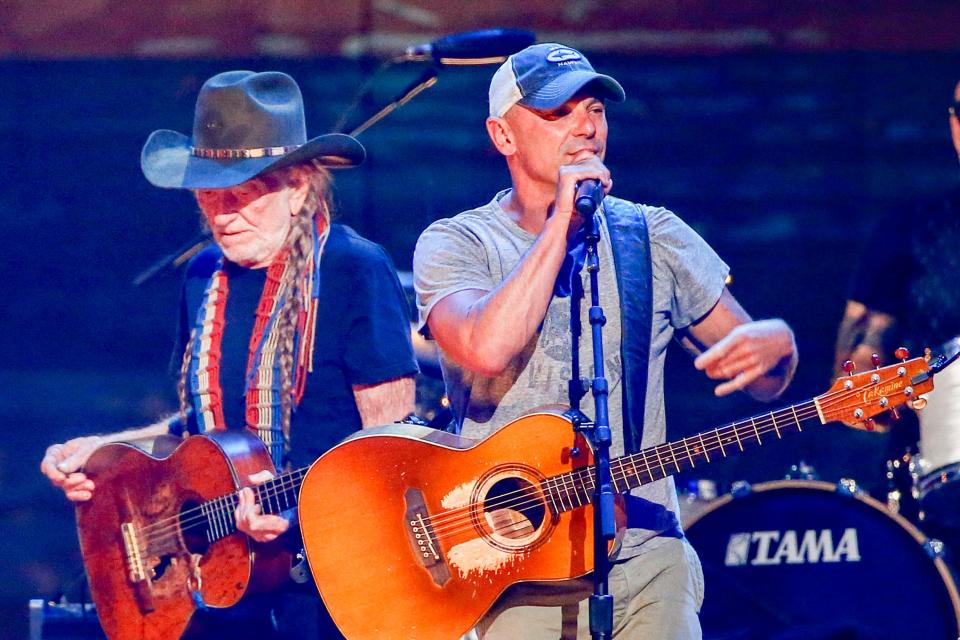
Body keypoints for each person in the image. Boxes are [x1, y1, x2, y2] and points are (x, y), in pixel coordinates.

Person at [413, 43, 798, 639]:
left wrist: (779, 347)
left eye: (594, 108)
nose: (586, 128)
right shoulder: (458, 243)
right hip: (507, 565)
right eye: (556, 113)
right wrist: (560, 227)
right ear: (503, 136)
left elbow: (761, 375)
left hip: (646, 554)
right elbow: (483, 348)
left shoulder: (654, 235)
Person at [39, 70, 418, 638]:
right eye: (208, 194)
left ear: (296, 188)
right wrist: (107, 452)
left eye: (241, 193)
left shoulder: (352, 268)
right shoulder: (203, 276)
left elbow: (391, 448)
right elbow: (197, 433)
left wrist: (294, 514)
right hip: (219, 583)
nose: (221, 214)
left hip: (328, 584)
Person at [833, 79, 960, 540]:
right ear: (952, 124)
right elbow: (852, 382)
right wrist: (884, 398)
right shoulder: (910, 228)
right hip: (942, 478)